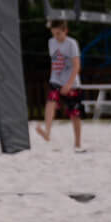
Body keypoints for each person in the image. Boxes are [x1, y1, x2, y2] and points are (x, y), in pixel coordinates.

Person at [38, 19, 83, 148]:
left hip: (72, 82)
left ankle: (78, 143)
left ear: (65, 31)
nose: (56, 37)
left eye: (58, 33)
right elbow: (54, 62)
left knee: (74, 113)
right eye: (54, 34)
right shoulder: (51, 42)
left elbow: (76, 66)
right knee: (50, 101)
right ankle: (47, 131)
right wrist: (53, 78)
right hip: (56, 80)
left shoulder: (72, 44)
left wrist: (69, 84)